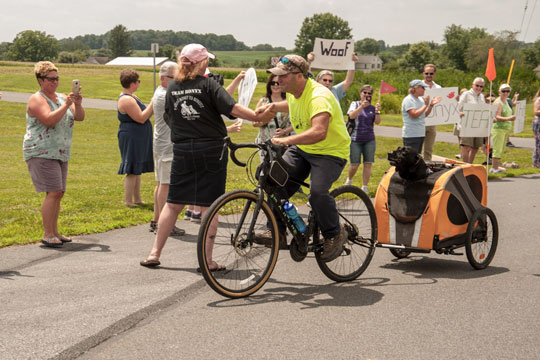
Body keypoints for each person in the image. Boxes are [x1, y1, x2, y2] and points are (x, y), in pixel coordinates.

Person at [140, 44, 272, 268]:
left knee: (173, 203)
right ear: (202, 62)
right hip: (211, 149)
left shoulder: (172, 86)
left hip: (182, 149)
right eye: (206, 60)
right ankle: (207, 261)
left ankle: (154, 253)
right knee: (210, 205)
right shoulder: (208, 84)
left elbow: (169, 116)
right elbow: (234, 109)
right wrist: (257, 117)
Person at [256, 54, 351, 262]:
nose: (277, 80)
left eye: (282, 76)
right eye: (276, 76)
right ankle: (277, 232)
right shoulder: (293, 91)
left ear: (299, 76)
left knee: (317, 194)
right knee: (274, 180)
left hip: (329, 152)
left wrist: (285, 141)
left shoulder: (320, 96)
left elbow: (319, 132)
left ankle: (334, 233)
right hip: (304, 148)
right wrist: (271, 107)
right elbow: (292, 104)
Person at [23, 61, 85, 247]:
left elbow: (80, 117)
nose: (55, 82)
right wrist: (66, 105)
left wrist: (78, 104)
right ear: (40, 80)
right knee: (54, 191)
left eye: (57, 78)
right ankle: (48, 233)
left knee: (59, 192)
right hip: (41, 150)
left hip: (60, 151)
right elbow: (49, 120)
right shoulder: (36, 99)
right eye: (51, 79)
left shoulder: (61, 97)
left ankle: (55, 231)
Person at [149, 61, 185, 236]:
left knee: (160, 183)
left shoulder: (162, 92)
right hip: (167, 144)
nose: (179, 81)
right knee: (166, 184)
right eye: (175, 77)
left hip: (162, 143)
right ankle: (165, 224)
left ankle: (157, 220)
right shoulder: (165, 95)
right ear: (163, 78)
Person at [117, 69, 154, 206]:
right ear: (132, 83)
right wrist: (152, 103)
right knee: (131, 168)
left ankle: (137, 199)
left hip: (138, 136)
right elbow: (141, 118)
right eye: (138, 81)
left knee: (137, 168)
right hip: (132, 136)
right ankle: (128, 200)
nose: (139, 83)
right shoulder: (127, 99)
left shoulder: (132, 96)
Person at [344, 84, 381, 193]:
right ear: (360, 94)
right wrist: (361, 107)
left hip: (369, 139)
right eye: (364, 92)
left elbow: (378, 122)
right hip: (355, 139)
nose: (367, 95)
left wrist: (377, 111)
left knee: (368, 163)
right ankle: (349, 180)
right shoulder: (354, 104)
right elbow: (351, 116)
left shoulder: (373, 108)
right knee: (355, 164)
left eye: (369, 93)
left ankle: (364, 186)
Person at [401, 79, 441, 154]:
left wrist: (431, 105)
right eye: (423, 87)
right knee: (410, 158)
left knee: (416, 157)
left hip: (420, 133)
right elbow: (414, 115)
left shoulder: (420, 100)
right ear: (416, 88)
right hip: (411, 134)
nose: (425, 89)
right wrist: (426, 105)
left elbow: (423, 115)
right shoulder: (409, 100)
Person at [252, 74, 291, 146]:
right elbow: (254, 123)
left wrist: (285, 131)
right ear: (269, 85)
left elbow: (297, 123)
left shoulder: (288, 102)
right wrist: (263, 121)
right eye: (273, 83)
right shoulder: (263, 101)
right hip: (264, 142)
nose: (275, 85)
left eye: (278, 83)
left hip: (283, 142)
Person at [458, 77, 486, 163]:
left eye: (481, 86)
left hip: (478, 125)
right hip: (467, 124)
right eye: (477, 85)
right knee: (466, 146)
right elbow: (458, 107)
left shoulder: (481, 96)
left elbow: (484, 109)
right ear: (472, 85)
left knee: (475, 147)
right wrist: (459, 113)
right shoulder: (466, 94)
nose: (479, 88)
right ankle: (465, 166)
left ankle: (470, 165)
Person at [490, 83, 516, 173]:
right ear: (499, 92)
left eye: (508, 91)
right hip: (498, 129)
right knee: (497, 148)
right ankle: (494, 168)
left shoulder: (506, 101)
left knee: (501, 149)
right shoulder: (498, 102)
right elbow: (497, 117)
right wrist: (509, 118)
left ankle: (497, 166)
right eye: (503, 91)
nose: (506, 93)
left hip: (505, 129)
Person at [422, 64, 441, 160]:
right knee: (416, 149)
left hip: (432, 122)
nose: (429, 75)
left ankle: (426, 169)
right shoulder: (418, 86)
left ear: (434, 74)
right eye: (427, 73)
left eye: (431, 73)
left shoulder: (438, 88)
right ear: (423, 74)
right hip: (419, 121)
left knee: (428, 150)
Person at [532, 88, 540, 168]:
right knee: (538, 144)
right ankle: (536, 163)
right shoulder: (538, 100)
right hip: (538, 123)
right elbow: (536, 112)